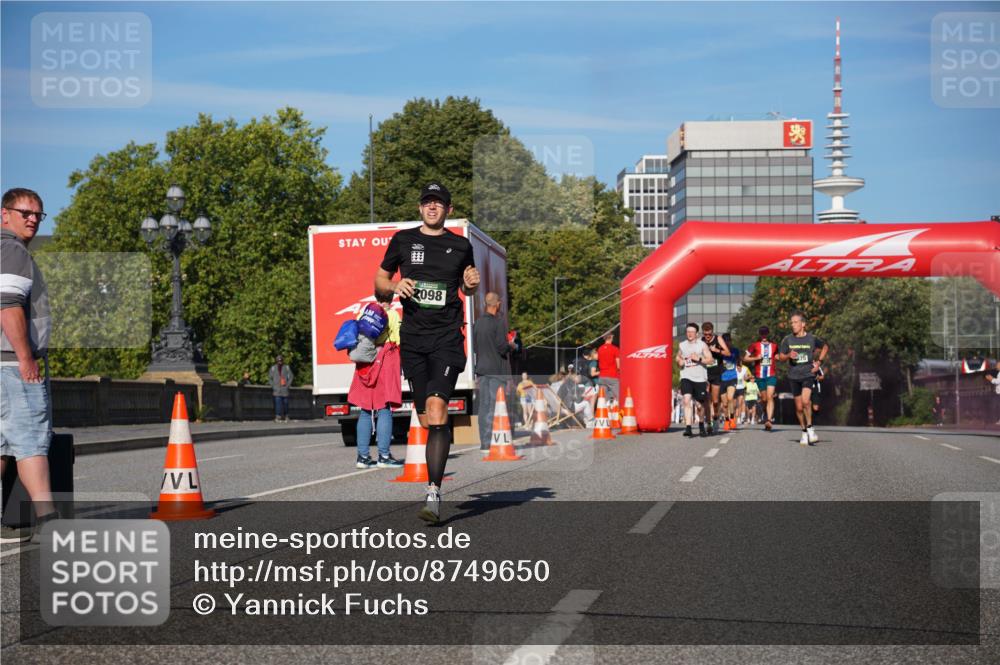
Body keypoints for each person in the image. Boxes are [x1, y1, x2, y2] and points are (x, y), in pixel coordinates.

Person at [375, 182, 479, 524]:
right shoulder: (403, 240)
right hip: (414, 340)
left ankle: (433, 492)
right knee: (425, 416)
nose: (432, 207)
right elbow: (379, 282)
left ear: (448, 209)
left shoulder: (461, 245)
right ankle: (436, 466)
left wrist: (471, 285)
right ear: (420, 208)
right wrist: (394, 286)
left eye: (438, 203)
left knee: (437, 408)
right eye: (427, 202)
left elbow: (466, 284)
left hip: (448, 338)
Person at [1, 188, 57, 543]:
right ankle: (48, 521)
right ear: (4, 214)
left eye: (38, 214)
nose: (33, 219)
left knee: (3, 444)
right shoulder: (12, 251)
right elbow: (8, 307)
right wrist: (26, 359)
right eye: (25, 213)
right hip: (11, 364)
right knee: (31, 441)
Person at [349, 291, 404, 469]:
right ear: (391, 298)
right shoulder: (393, 315)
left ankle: (363, 457)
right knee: (385, 408)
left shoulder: (363, 313)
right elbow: (399, 339)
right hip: (385, 361)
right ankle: (384, 456)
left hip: (365, 364)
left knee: (366, 410)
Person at [777, 311, 829, 446]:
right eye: (791, 323)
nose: (793, 325)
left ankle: (811, 428)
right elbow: (780, 357)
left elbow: (825, 347)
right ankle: (804, 431)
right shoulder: (787, 339)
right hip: (794, 375)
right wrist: (788, 355)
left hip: (808, 374)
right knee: (799, 408)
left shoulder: (812, 338)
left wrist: (819, 362)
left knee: (806, 401)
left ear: (803, 324)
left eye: (795, 322)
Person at [473, 292, 513, 453]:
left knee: (484, 406)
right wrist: (511, 345)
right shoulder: (499, 323)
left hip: (482, 370)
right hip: (496, 370)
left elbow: (476, 346)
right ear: (498, 304)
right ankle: (495, 440)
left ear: (485, 303)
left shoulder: (477, 323)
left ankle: (484, 442)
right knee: (496, 406)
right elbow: (501, 347)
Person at [676, 322, 713, 438]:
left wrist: (699, 358)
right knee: (686, 400)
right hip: (686, 376)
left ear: (696, 334)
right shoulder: (682, 345)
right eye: (688, 332)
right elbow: (678, 357)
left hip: (700, 378)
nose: (690, 334)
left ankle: (701, 424)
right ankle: (688, 427)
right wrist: (679, 361)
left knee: (699, 406)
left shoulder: (702, 345)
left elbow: (710, 360)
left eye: (692, 332)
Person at [745, 326, 779, 431]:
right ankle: (765, 411)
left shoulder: (774, 346)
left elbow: (778, 357)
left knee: (770, 397)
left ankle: (768, 420)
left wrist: (786, 356)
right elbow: (745, 358)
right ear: (760, 334)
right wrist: (756, 358)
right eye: (762, 333)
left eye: (765, 333)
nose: (764, 335)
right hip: (760, 376)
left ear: (768, 334)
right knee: (764, 399)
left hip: (771, 375)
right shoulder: (754, 345)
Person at [701, 322, 729, 435]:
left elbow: (728, 352)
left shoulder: (718, 339)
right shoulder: (701, 341)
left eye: (709, 334)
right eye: (705, 334)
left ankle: (716, 417)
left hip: (716, 372)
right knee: (706, 400)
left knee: (716, 401)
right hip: (704, 373)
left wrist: (717, 351)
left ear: (712, 332)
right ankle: (708, 423)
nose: (707, 336)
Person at [719, 332, 740, 431]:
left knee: (730, 398)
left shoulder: (735, 351)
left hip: (732, 377)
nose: (727, 343)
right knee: (725, 403)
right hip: (721, 379)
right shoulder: (719, 352)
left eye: (728, 341)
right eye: (725, 341)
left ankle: (732, 418)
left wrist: (739, 365)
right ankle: (726, 420)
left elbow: (739, 360)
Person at [268, 355, 293, 422]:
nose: (280, 362)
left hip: (285, 389)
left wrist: (288, 385)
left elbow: (291, 377)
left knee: (286, 404)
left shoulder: (287, 367)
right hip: (277, 390)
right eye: (278, 360)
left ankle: (286, 416)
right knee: (277, 404)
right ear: (276, 361)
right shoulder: (273, 368)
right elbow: (270, 378)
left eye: (281, 360)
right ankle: (278, 416)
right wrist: (273, 386)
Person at [596, 332, 620, 400]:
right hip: (612, 375)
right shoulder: (615, 349)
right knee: (618, 396)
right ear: (611, 338)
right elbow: (618, 365)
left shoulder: (600, 349)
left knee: (603, 398)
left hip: (602, 376)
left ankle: (605, 410)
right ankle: (618, 410)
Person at [735, 356, 753, 425]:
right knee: (734, 404)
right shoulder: (733, 368)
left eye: (741, 362)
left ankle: (740, 417)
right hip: (734, 387)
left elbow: (750, 376)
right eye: (738, 362)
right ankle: (734, 417)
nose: (740, 363)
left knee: (740, 403)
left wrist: (746, 377)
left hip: (742, 387)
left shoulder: (745, 368)